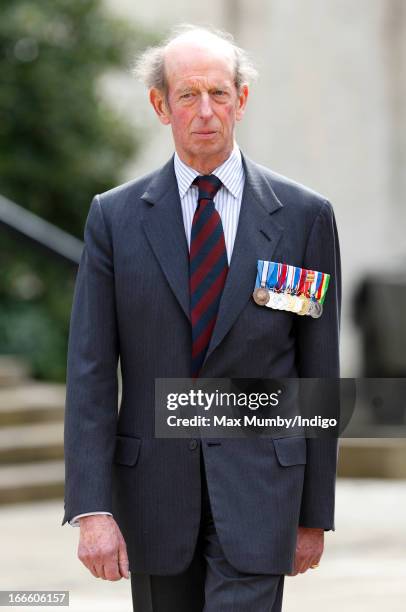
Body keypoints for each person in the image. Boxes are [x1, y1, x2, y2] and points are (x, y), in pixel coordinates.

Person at [63, 23, 341, 612]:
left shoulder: (301, 218)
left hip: (262, 495)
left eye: (219, 93)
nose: (206, 110)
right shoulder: (114, 220)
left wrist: (314, 513)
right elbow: (89, 371)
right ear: (160, 105)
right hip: (153, 498)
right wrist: (92, 510)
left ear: (241, 100)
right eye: (188, 95)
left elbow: (317, 374)